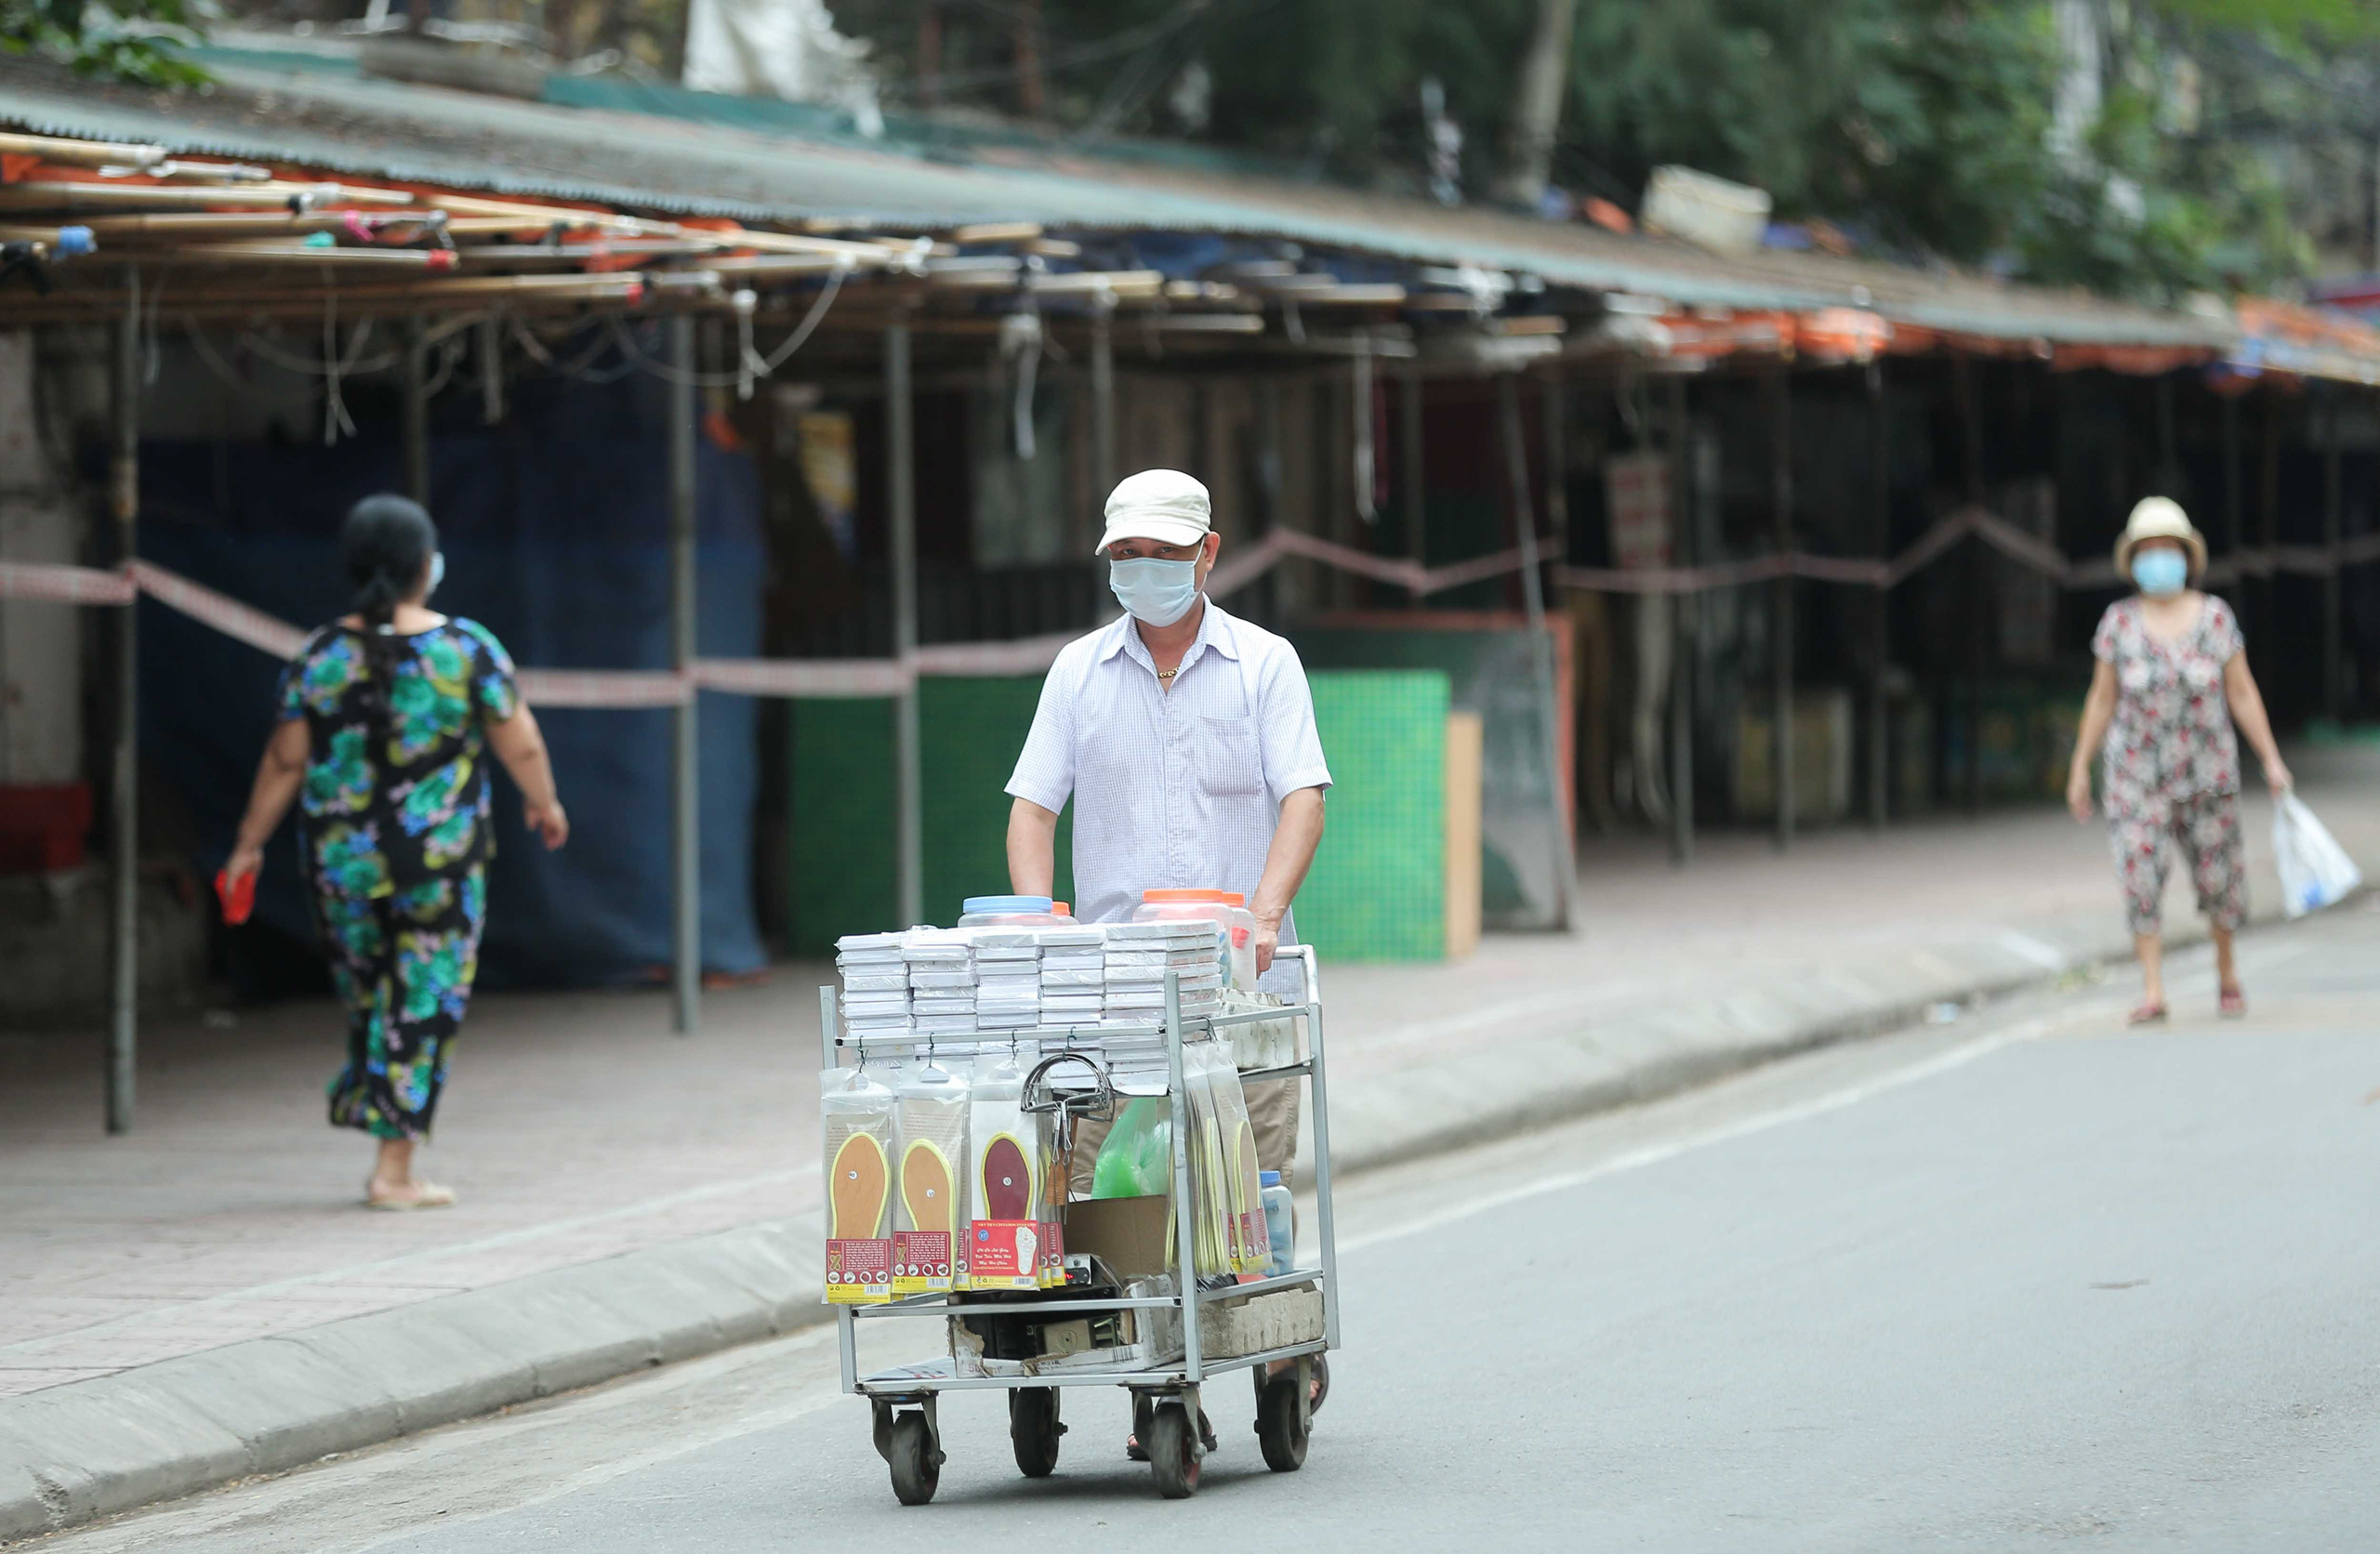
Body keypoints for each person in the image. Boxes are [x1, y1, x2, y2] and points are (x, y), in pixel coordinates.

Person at [1005, 468, 1331, 1446]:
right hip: (1112, 1004)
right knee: (1109, 1200)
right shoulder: (1077, 673)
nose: (1144, 572)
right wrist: (1038, 927)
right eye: (1128, 557)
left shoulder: (1265, 664)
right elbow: (1031, 808)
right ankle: (1122, 1355)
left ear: (1207, 554)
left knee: (1250, 1194)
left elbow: (1303, 796)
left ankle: (1275, 1351)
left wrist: (1266, 912)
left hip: (1241, 991)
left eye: (1162, 554)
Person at [222, 495, 568, 1208]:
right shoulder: (466, 650)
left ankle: (372, 1103)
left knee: (373, 1000)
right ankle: (393, 1168)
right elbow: (521, 740)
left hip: (340, 868)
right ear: (424, 566)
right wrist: (544, 801)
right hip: (437, 867)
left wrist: (247, 846)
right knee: (423, 1000)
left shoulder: (319, 656)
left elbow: (284, 762)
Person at [2067, 496, 2291, 1026]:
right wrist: (2081, 765)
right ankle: (2152, 989)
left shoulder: (2215, 619)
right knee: (2140, 876)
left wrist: (2271, 759)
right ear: (2134, 560)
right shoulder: (2118, 624)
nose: (2159, 559)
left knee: (2219, 881)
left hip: (2207, 775)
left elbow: (2241, 692)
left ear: (2187, 556)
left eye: (2169, 548)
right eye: (2149, 550)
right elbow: (2101, 699)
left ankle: (2227, 970)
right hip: (2135, 778)